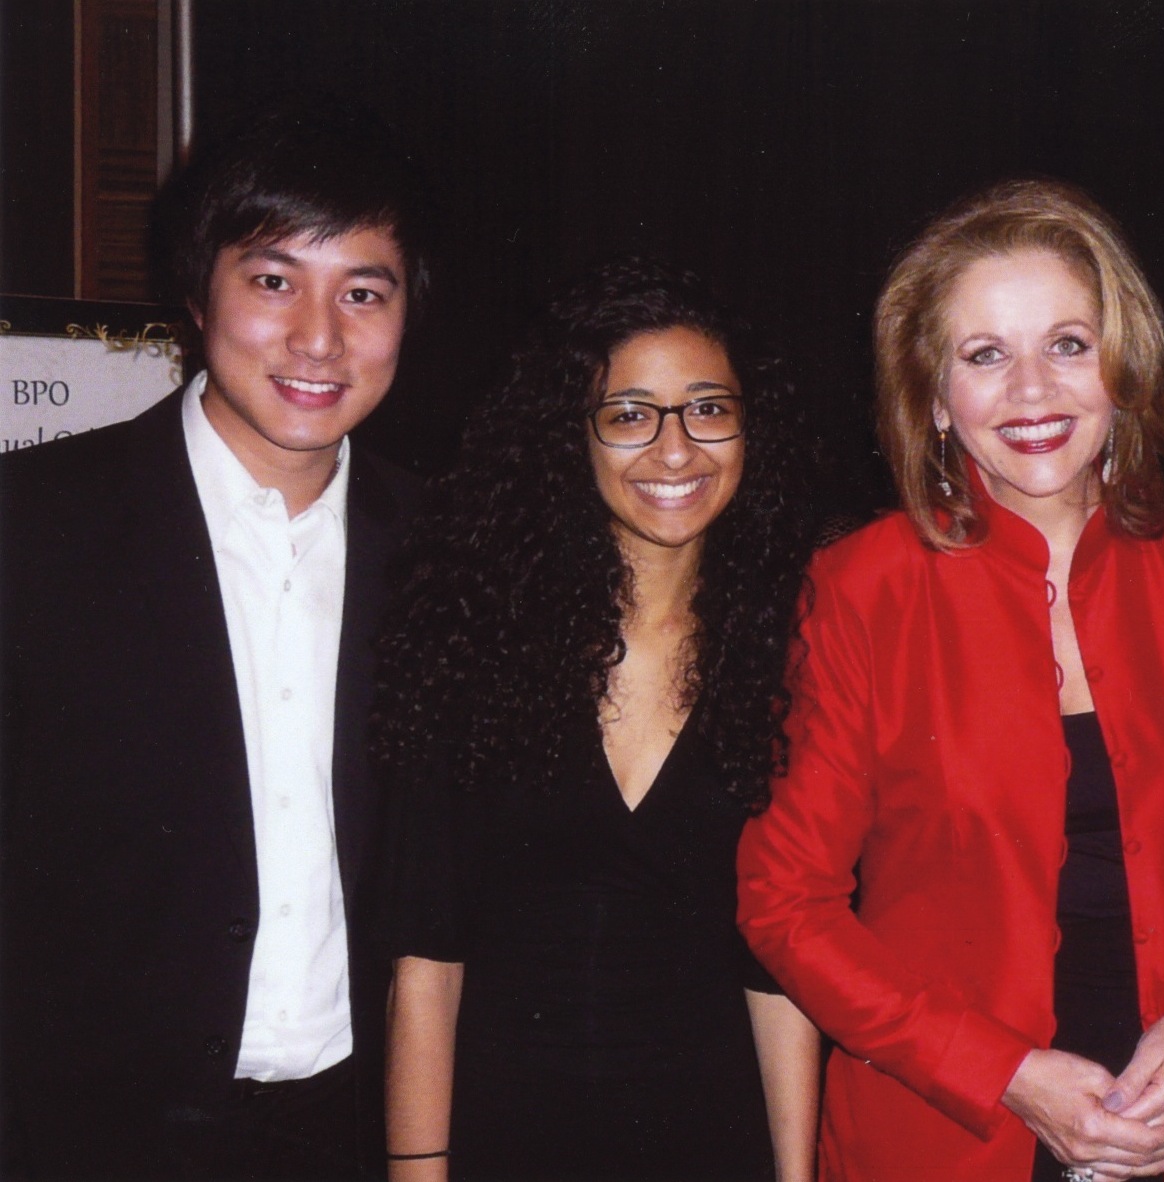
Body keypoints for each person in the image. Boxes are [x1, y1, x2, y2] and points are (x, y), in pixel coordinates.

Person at [737, 178, 1164, 1182]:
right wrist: (1003, 1072)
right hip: (945, 1130)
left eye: (1067, 345)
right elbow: (785, 901)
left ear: (1123, 366)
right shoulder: (859, 587)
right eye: (984, 355)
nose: (1032, 391)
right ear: (933, 397)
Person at [0, 100, 431, 1179]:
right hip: (83, 1134)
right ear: (197, 294)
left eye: (363, 293)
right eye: (274, 281)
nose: (319, 339)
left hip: (353, 1132)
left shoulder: (447, 553)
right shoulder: (32, 527)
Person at [376, 258, 822, 1182]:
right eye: (628, 415)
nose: (676, 450)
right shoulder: (475, 640)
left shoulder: (793, 652)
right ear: (569, 435)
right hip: (506, 1143)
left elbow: (777, 974)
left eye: (708, 408)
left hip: (712, 1144)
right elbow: (426, 965)